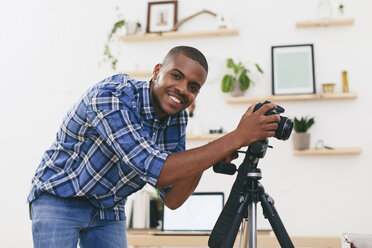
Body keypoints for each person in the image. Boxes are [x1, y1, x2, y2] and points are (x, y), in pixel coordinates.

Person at [27, 46, 280, 248]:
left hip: (108, 207)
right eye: (176, 76)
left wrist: (212, 156)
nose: (182, 90)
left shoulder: (177, 117)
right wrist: (236, 137)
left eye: (193, 87)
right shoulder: (111, 97)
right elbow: (158, 170)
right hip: (60, 196)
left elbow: (173, 199)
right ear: (157, 70)